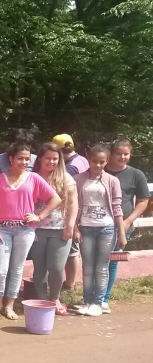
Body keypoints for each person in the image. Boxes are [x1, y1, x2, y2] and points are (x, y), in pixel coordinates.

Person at [0, 143, 61, 320]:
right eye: (20, 158)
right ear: (11, 158)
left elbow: (55, 198)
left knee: (17, 269)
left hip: (24, 229)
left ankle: (10, 305)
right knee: (1, 269)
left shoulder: (34, 178)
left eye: (27, 159)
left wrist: (39, 216)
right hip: (3, 229)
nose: (24, 162)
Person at [72, 145, 126, 317]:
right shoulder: (78, 179)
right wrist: (75, 228)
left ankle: (98, 302)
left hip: (106, 228)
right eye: (95, 161)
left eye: (102, 162)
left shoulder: (112, 181)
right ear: (89, 159)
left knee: (101, 268)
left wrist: (122, 233)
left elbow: (117, 208)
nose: (98, 165)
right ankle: (87, 300)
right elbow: (72, 206)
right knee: (88, 267)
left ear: (107, 161)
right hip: (86, 227)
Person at [29, 143, 78, 315]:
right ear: (40, 158)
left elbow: (73, 203)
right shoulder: (31, 177)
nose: (51, 162)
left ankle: (55, 298)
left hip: (60, 229)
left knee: (56, 267)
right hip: (36, 230)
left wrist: (70, 225)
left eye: (55, 158)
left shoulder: (66, 178)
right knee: (40, 267)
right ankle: (42, 301)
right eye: (48, 158)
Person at [103, 139, 151, 310]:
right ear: (111, 153)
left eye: (126, 154)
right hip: (96, 225)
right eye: (118, 153)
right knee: (94, 262)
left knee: (112, 262)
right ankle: (92, 297)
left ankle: (104, 299)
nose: (122, 157)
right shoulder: (99, 169)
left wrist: (128, 221)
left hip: (122, 227)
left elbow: (143, 201)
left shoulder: (136, 174)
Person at [55, 133, 90, 291]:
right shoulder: (82, 159)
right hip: (85, 208)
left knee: (71, 251)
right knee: (74, 250)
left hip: (73, 210)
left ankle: (69, 284)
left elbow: (66, 194)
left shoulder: (69, 167)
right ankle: (71, 283)